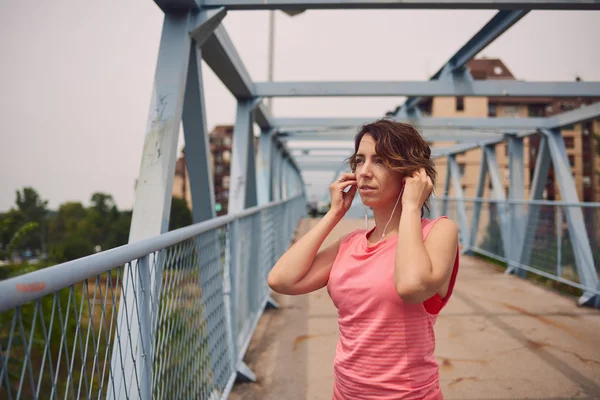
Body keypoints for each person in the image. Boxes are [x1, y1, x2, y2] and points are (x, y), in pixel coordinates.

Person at [267, 119, 460, 400]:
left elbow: (410, 286)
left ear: (411, 173)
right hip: (345, 393)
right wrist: (333, 214)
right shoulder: (351, 243)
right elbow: (281, 280)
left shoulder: (438, 232)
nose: (364, 172)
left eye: (380, 160)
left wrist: (410, 206)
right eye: (359, 161)